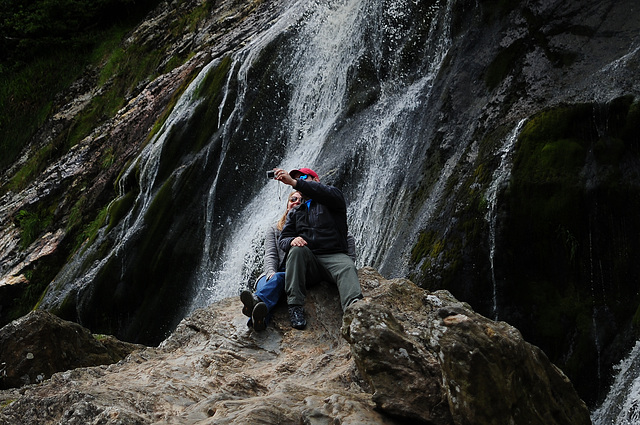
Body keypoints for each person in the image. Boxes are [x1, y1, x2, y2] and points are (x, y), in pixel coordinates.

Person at [274, 167, 363, 330]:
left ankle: (355, 313)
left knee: (348, 267)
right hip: (310, 261)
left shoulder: (333, 198)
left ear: (316, 180)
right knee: (296, 250)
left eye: (303, 178)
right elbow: (283, 239)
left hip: (334, 256)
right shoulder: (296, 212)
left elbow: (322, 192)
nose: (299, 182)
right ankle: (295, 307)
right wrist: (293, 240)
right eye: (297, 179)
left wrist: (294, 182)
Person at [240, 191, 303, 331]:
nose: (297, 202)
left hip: (293, 275)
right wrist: (270, 273)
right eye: (293, 199)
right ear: (287, 205)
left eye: (301, 200)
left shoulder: (308, 228)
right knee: (269, 282)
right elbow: (270, 256)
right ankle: (259, 321)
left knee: (279, 280)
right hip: (272, 274)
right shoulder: (274, 229)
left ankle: (254, 312)